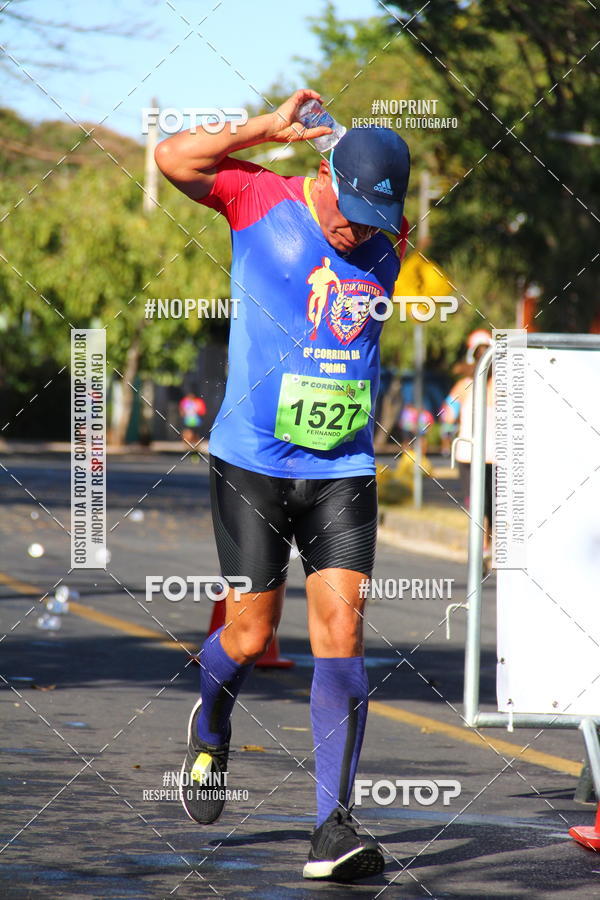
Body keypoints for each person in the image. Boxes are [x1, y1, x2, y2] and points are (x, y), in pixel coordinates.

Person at [155, 88, 410, 882]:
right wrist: (265, 128)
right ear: (325, 175)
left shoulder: (387, 238)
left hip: (342, 468)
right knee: (250, 634)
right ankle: (211, 725)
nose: (358, 229)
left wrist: (359, 170)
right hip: (252, 466)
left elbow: (372, 190)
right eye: (351, 209)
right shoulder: (257, 196)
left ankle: (333, 828)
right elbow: (173, 159)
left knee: (343, 637)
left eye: (377, 216)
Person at [453, 330, 494, 569]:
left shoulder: (465, 386)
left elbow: (447, 412)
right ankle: (486, 546)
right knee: (488, 506)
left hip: (473, 456)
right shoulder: (500, 385)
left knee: (477, 504)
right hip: (488, 457)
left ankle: (482, 546)